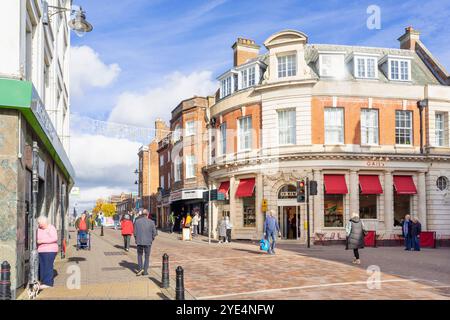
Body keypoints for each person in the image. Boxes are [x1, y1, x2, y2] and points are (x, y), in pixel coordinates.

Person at [133, 209, 157, 276]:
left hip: (139, 241)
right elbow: (154, 233)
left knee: (139, 255)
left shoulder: (137, 221)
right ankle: (145, 271)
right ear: (148, 214)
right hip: (148, 242)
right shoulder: (151, 222)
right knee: (147, 257)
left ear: (142, 214)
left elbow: (134, 233)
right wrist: (152, 239)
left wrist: (136, 239)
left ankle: (140, 269)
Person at [37, 215, 58, 289]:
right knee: (42, 266)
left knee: (48, 266)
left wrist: (41, 241)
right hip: (41, 250)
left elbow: (54, 238)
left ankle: (48, 283)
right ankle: (43, 281)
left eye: (40, 223)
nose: (39, 225)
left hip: (50, 250)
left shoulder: (51, 228)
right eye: (39, 223)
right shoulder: (39, 229)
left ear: (45, 222)